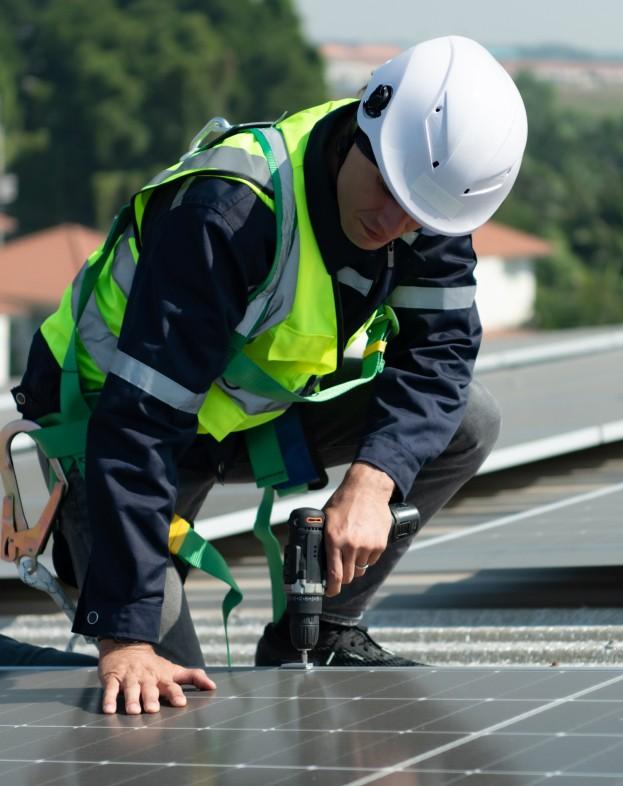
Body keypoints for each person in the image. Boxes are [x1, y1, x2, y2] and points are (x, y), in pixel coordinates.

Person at [12, 35, 527, 714]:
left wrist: (375, 481)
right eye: (389, 194)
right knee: (159, 701)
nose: (393, 222)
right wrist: (128, 636)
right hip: (108, 437)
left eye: (419, 215)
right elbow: (139, 426)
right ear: (365, 127)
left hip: (229, 423)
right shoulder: (232, 213)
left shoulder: (427, 196)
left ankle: (319, 632)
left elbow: (439, 359)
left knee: (468, 420)